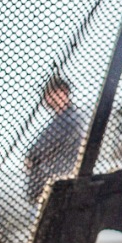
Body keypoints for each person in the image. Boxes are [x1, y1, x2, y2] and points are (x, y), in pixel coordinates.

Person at [24, 75, 86, 206]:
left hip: (55, 192)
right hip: (50, 190)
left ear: (62, 91)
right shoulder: (61, 120)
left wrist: (31, 158)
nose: (46, 99)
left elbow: (36, 152)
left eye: (49, 93)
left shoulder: (67, 120)